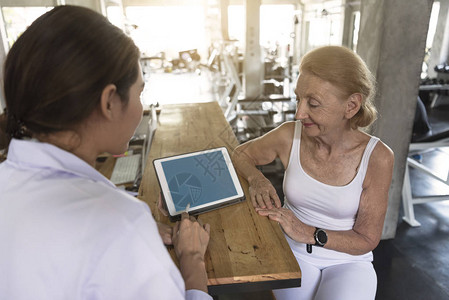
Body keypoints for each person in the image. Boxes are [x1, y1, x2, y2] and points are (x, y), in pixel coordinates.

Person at [0, 6, 212, 300]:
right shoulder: (119, 225)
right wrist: (193, 263)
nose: (141, 106)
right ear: (110, 101)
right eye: (140, 93)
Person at [232, 46, 394, 300]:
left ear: (351, 106)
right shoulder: (290, 134)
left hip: (348, 261)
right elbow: (240, 154)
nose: (299, 113)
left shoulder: (378, 157)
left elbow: (366, 238)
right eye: (298, 99)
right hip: (293, 251)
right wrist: (257, 180)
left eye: (313, 104)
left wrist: (308, 232)